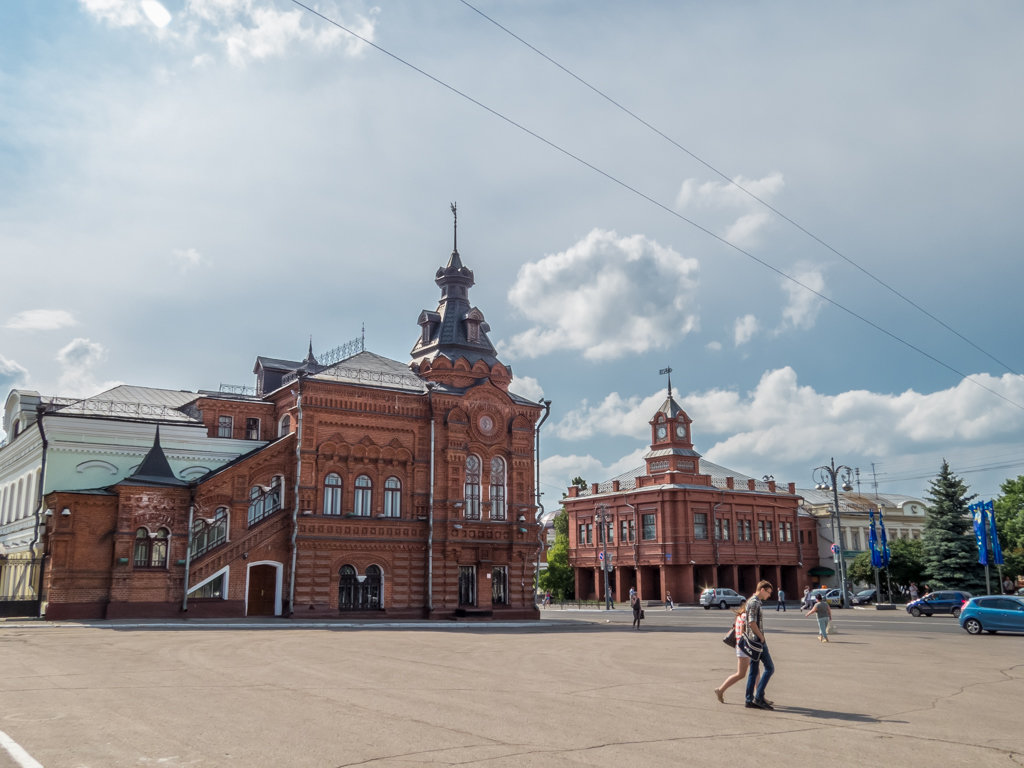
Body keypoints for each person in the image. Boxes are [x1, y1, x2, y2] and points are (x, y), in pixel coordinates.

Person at [742, 580, 775, 710]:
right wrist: (761, 637)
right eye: (768, 592)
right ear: (762, 590)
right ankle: (759, 697)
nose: (769, 595)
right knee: (769, 668)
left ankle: (749, 699)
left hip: (751, 640)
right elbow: (751, 622)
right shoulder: (755, 602)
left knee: (753, 671)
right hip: (757, 641)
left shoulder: (751, 601)